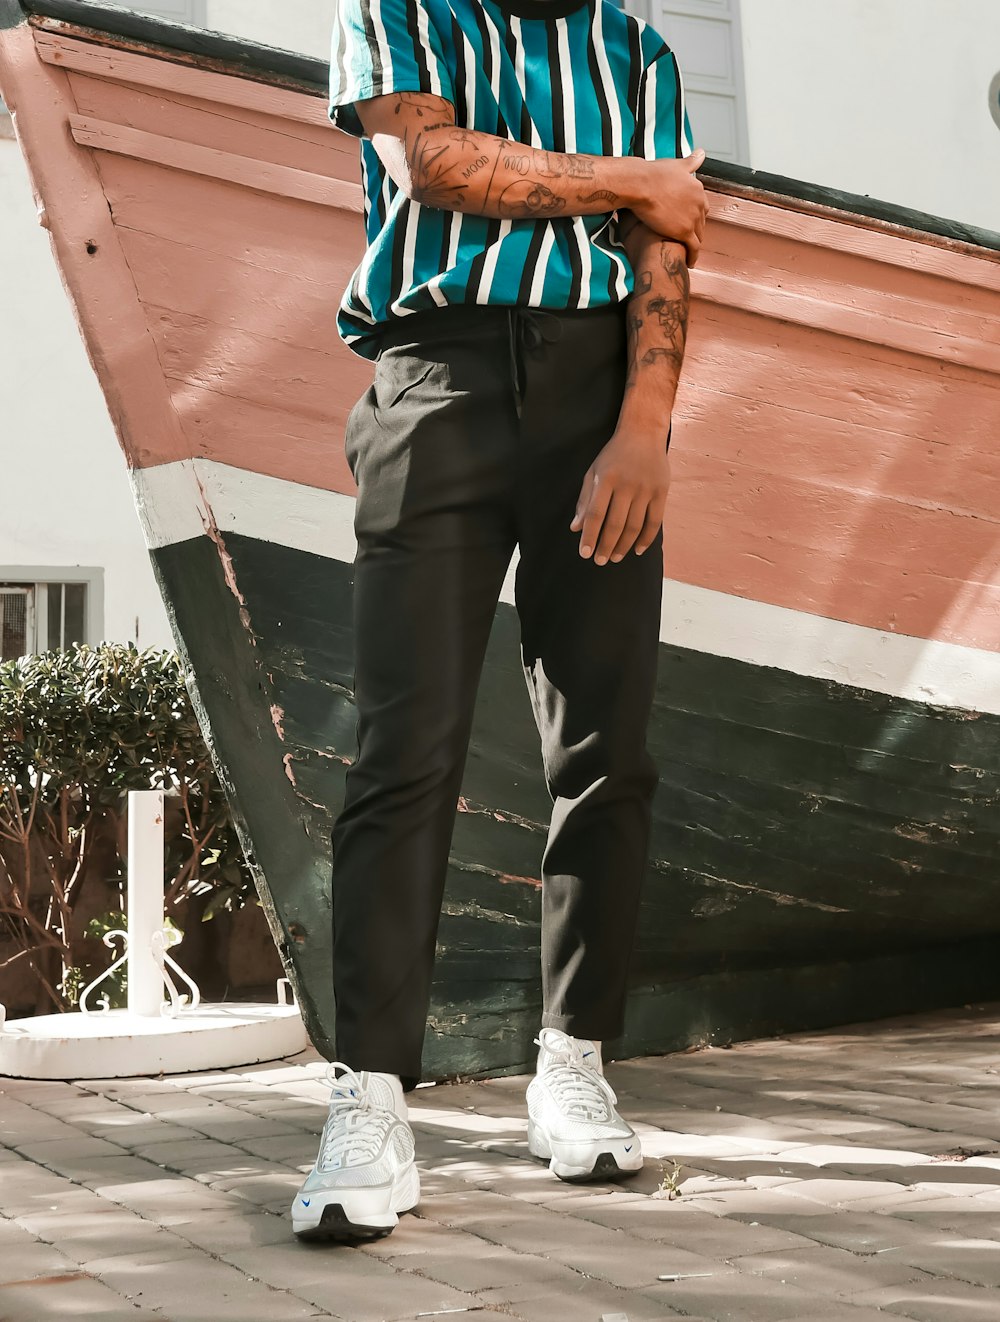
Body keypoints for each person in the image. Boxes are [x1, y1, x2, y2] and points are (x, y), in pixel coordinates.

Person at [292, 0, 707, 1242]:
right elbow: (436, 163)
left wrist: (644, 431)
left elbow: (668, 252)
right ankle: (367, 1094)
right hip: (438, 382)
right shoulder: (392, 13)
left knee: (604, 751)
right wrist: (634, 179)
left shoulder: (636, 52)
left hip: (598, 397)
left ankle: (574, 1060)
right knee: (401, 748)